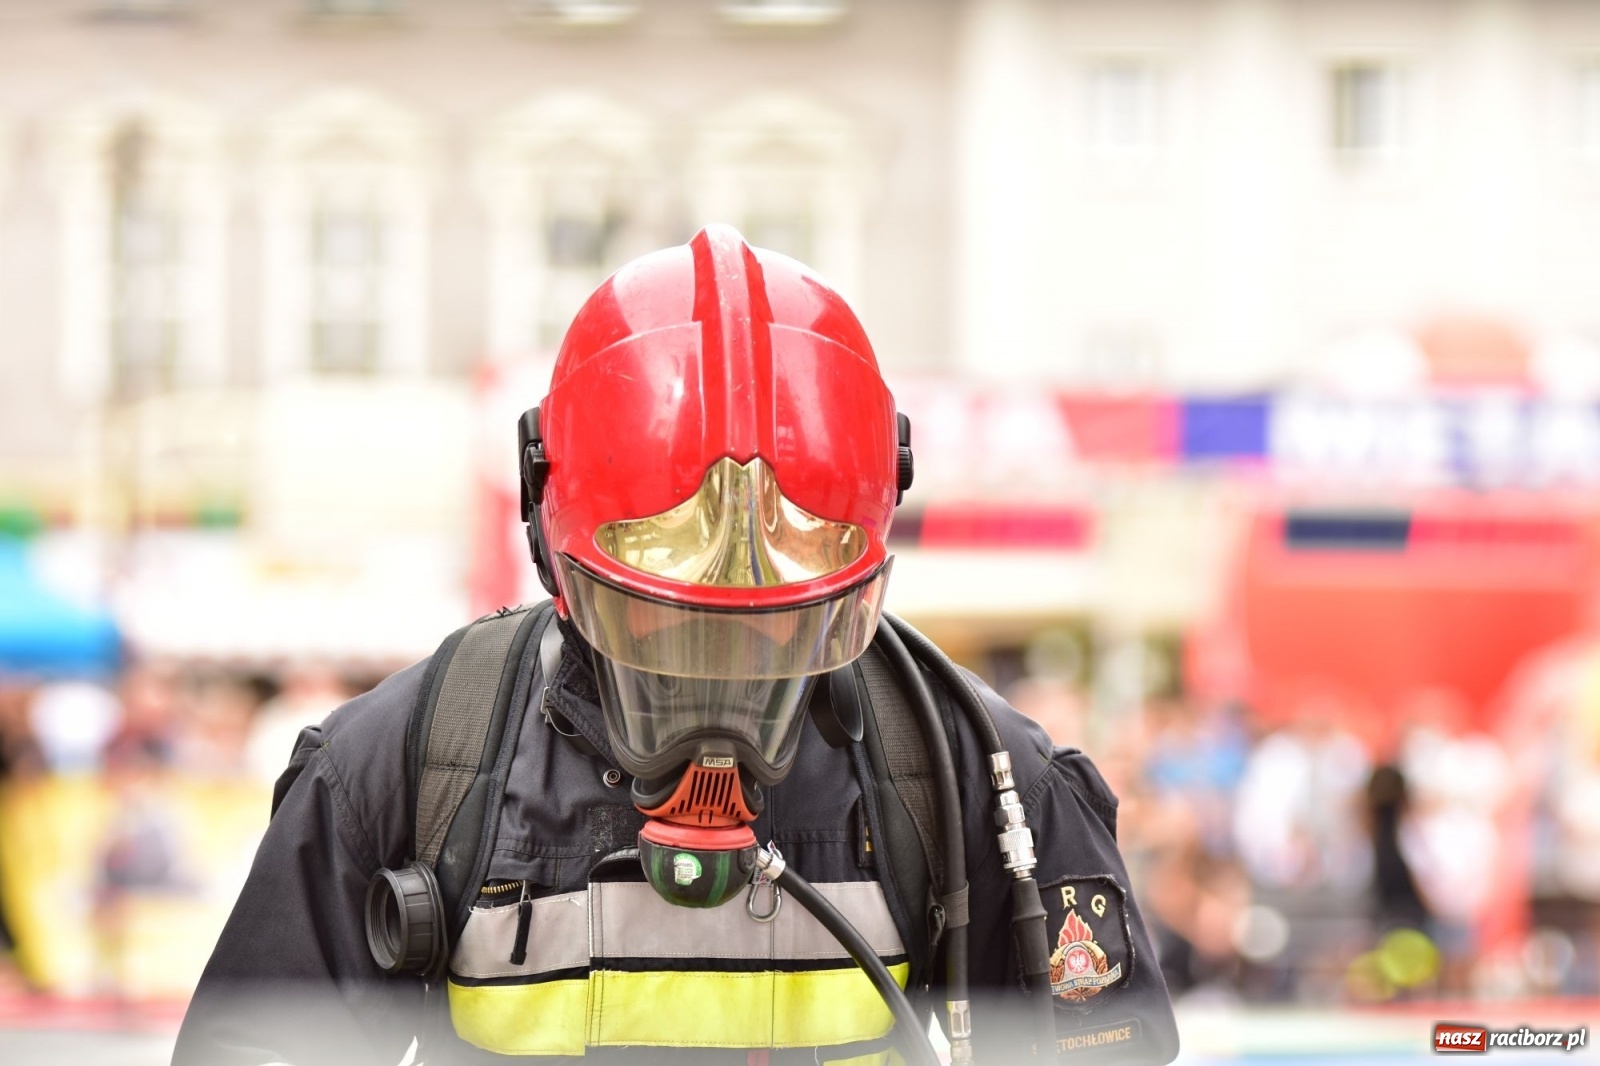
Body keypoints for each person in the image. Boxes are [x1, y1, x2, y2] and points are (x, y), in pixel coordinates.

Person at [172, 226, 1178, 1066]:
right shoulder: (409, 764)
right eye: (662, 625)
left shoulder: (976, 772)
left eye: (778, 628)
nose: (718, 694)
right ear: (556, 560)